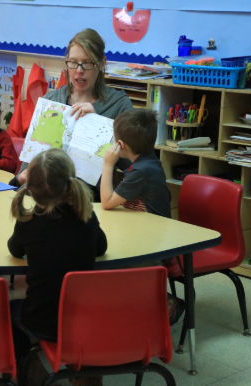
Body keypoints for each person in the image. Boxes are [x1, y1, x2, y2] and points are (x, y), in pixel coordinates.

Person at [7, 148, 107, 365]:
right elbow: (101, 248)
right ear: (70, 182)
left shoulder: (29, 221)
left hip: (42, 322)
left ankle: (30, 366)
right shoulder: (85, 215)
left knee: (7, 310)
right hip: (85, 320)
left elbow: (14, 250)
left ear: (30, 189)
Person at [10, 28, 133, 198]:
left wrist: (98, 123)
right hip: (44, 196)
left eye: (87, 63)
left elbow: (133, 163)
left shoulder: (119, 104)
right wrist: (19, 181)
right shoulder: (51, 101)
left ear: (102, 63)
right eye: (73, 62)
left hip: (87, 201)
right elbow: (29, 164)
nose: (79, 70)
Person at [100, 109, 184, 324]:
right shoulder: (147, 162)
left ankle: (167, 303)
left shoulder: (141, 172)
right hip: (141, 234)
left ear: (121, 144)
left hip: (152, 246)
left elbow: (107, 202)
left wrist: (108, 163)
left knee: (104, 265)